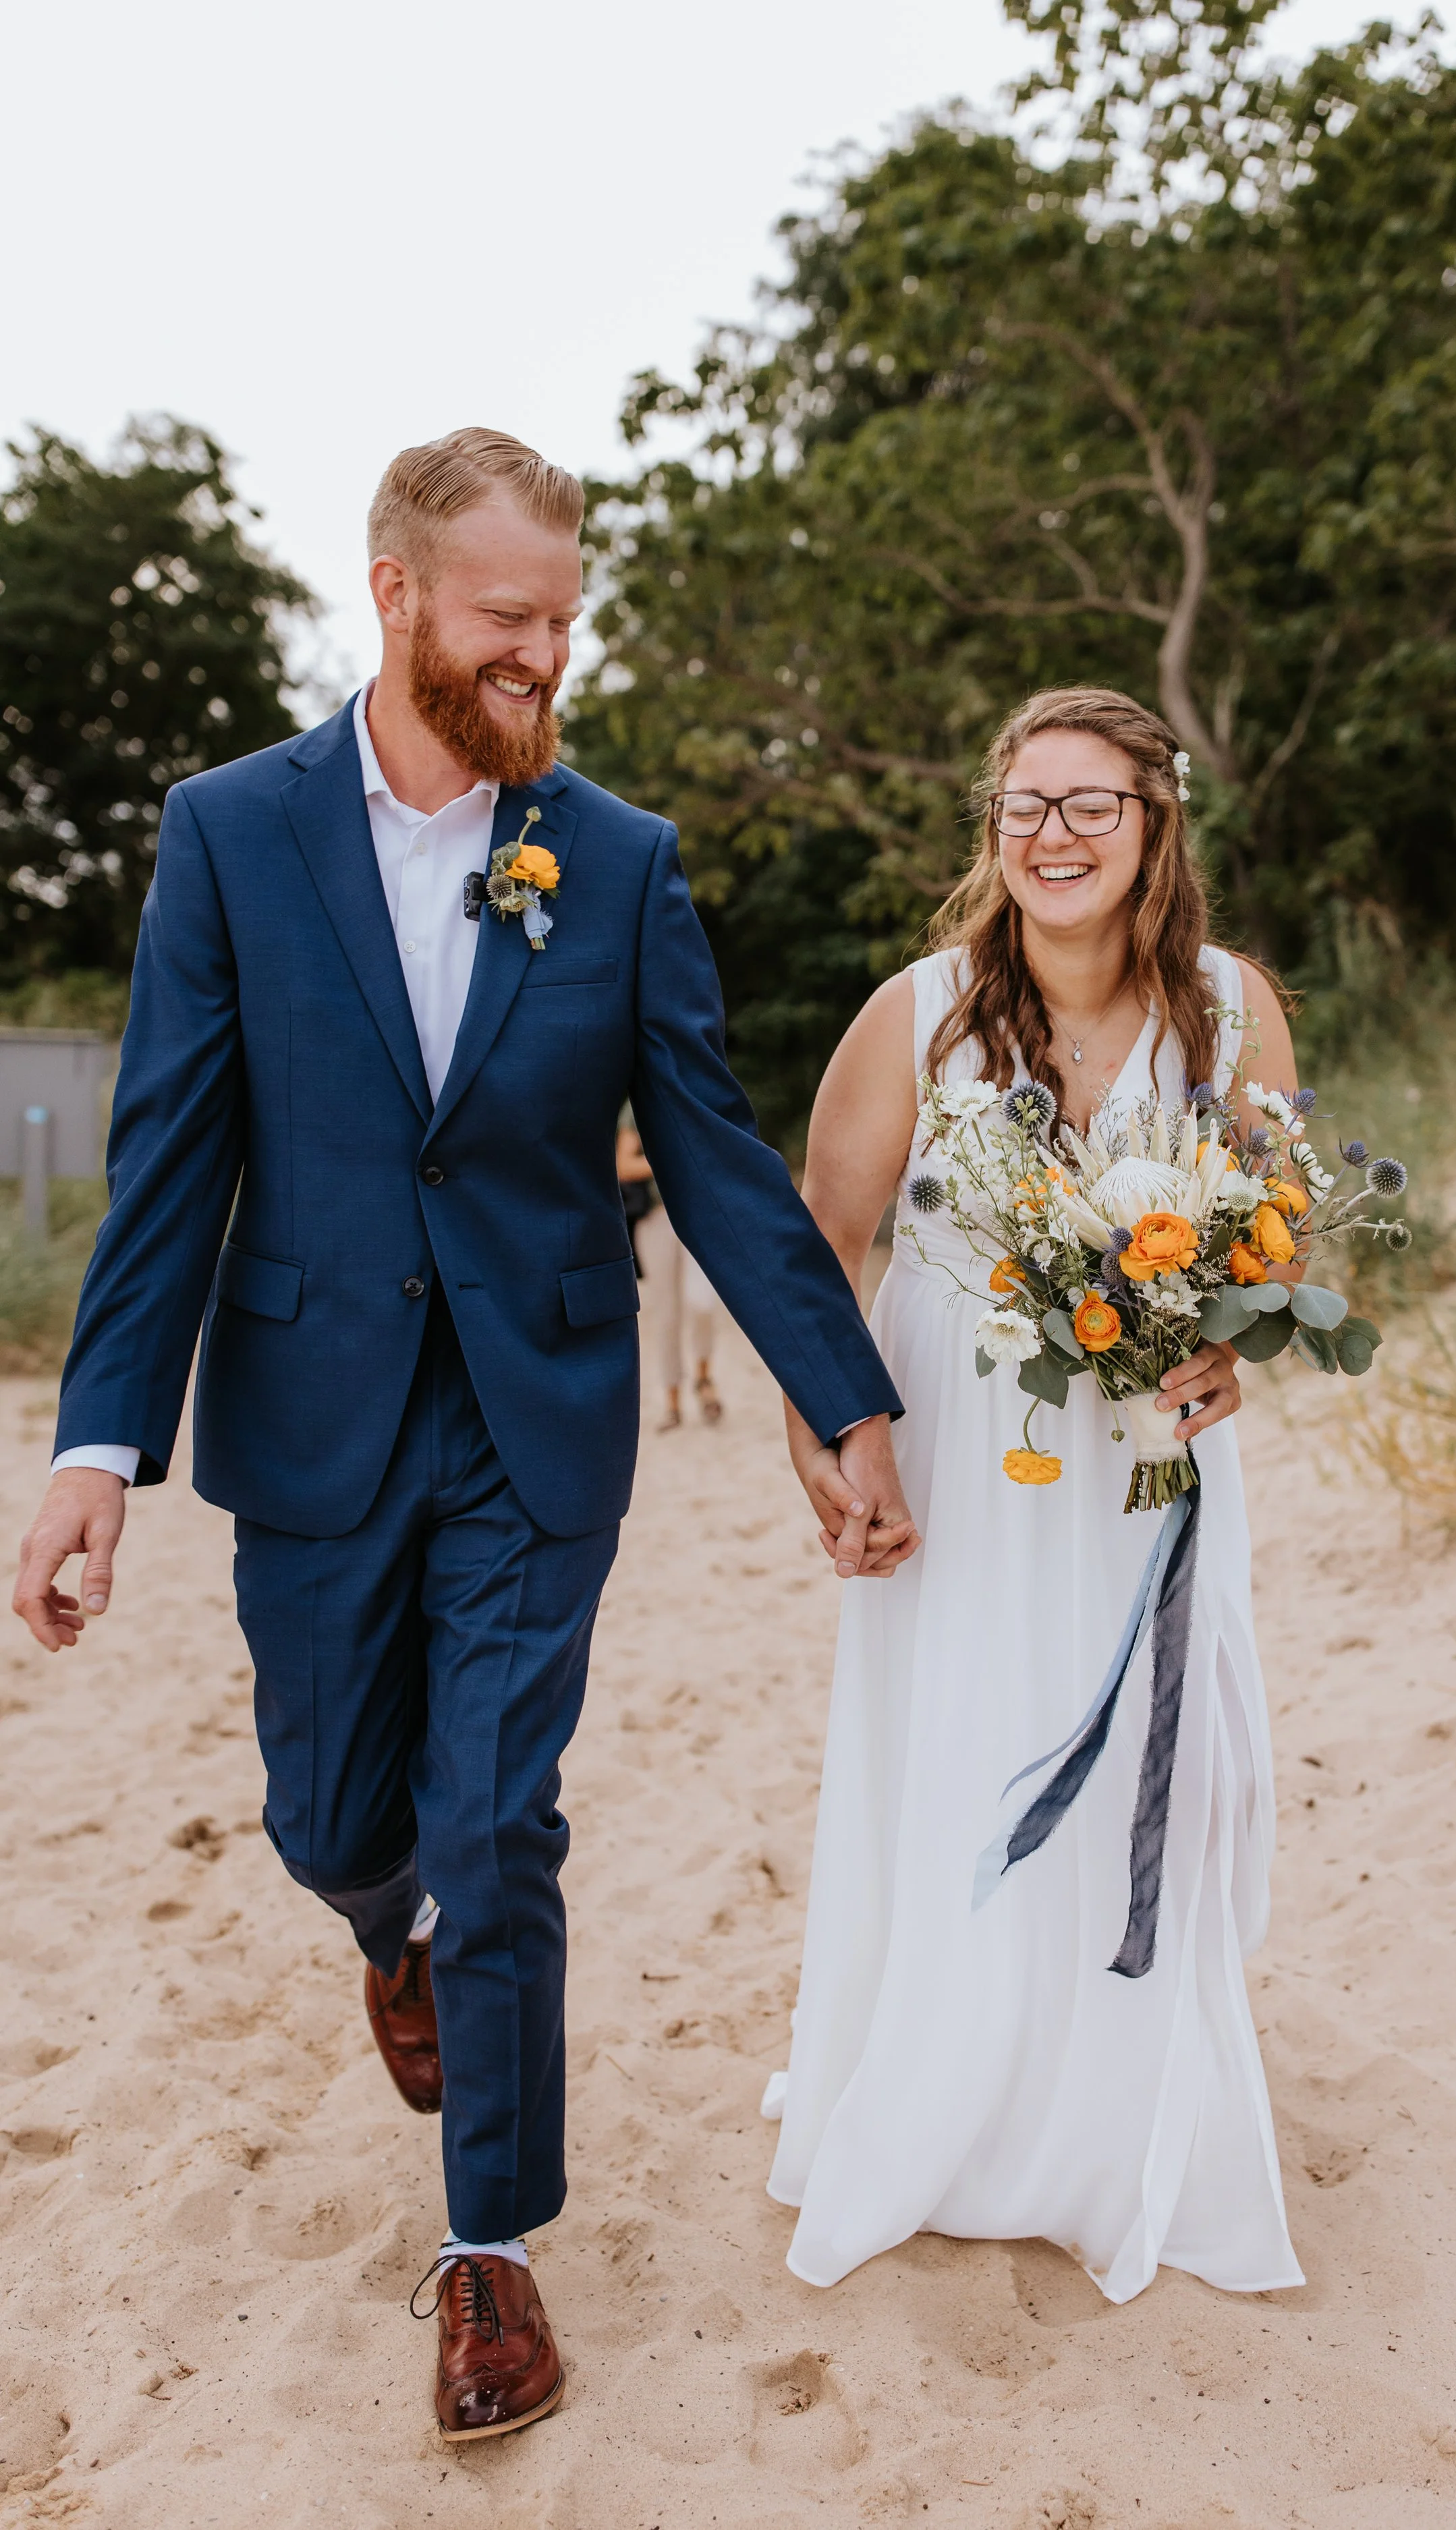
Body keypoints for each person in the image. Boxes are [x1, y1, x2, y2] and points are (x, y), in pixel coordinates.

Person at [11, 427, 916, 2442]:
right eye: (506, 618)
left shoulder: (615, 857)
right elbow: (167, 1154)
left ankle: (488, 2247)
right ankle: (384, 1930)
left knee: (500, 1815)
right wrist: (95, 1443)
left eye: (562, 622)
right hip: (307, 1409)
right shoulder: (229, 832)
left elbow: (713, 1154)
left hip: (538, 1414)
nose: (539, 655)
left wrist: (838, 1391)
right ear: (396, 590)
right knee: (332, 1817)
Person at [771, 685, 1305, 2303]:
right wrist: (824, 1428)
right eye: (1026, 805)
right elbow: (824, 1233)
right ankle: (955, 2092)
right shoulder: (920, 1008)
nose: (1054, 835)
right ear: (993, 829)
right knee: (963, 1737)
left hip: (1145, 1451)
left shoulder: (1230, 1004)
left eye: (1091, 805)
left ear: (1155, 827)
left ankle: (1118, 2101)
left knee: (1166, 1753)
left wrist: (1234, 1348)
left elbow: (1273, 1234)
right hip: (964, 1442)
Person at [617, 1119, 722, 1429]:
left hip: (696, 1214)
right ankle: (673, 1402)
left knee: (703, 1303)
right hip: (655, 1220)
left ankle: (703, 1378)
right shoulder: (633, 1111)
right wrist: (673, 1156)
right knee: (667, 1315)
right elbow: (624, 1165)